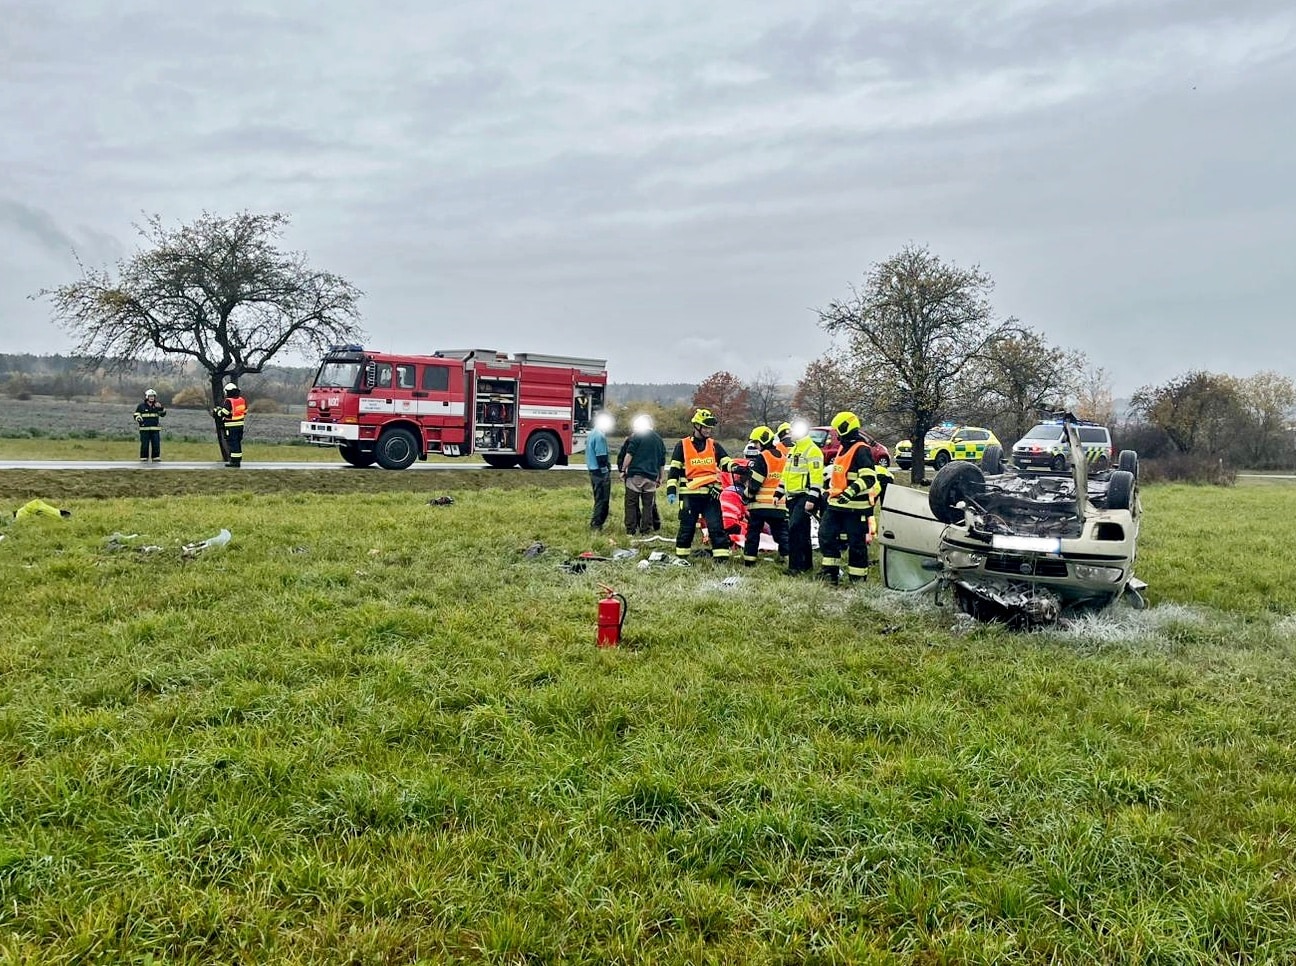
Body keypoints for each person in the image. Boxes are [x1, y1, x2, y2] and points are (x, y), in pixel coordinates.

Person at [665, 408, 735, 561]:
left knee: (716, 527)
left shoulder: (714, 445)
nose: (708, 430)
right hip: (690, 496)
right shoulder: (682, 445)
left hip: (711, 496)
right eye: (705, 427)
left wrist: (737, 468)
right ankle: (681, 558)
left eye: (710, 427)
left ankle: (721, 558)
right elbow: (674, 470)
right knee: (687, 528)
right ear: (697, 426)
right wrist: (671, 490)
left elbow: (726, 462)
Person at [818, 411, 878, 585]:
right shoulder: (844, 448)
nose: (836, 434)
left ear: (846, 428)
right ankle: (830, 573)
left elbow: (868, 477)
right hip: (836, 504)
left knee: (856, 543)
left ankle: (857, 579)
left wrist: (849, 492)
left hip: (855, 507)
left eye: (838, 431)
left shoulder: (861, 449)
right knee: (826, 535)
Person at [779, 419, 825, 575]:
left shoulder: (812, 450)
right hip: (792, 497)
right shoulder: (793, 451)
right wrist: (778, 492)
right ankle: (806, 565)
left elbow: (816, 477)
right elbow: (786, 474)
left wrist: (812, 499)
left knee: (795, 529)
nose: (790, 434)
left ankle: (795, 567)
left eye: (792, 431)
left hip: (804, 496)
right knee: (802, 531)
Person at [741, 425, 790, 566]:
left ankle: (749, 561)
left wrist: (745, 497)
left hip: (759, 505)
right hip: (779, 504)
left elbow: (754, 484)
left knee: (753, 534)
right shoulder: (783, 456)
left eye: (756, 442)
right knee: (782, 534)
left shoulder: (763, 457)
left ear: (763, 441)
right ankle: (787, 559)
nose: (755, 446)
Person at [618, 413, 666, 535]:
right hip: (651, 477)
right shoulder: (659, 439)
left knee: (631, 504)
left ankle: (631, 530)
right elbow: (662, 462)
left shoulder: (638, 436)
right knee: (648, 506)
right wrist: (661, 477)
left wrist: (623, 470)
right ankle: (646, 530)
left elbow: (629, 454)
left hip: (635, 475)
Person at [585, 410, 614, 530]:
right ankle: (597, 524)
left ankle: (596, 523)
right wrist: (606, 470)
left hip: (592, 470)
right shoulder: (600, 436)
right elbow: (601, 456)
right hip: (600, 472)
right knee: (602, 499)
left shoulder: (592, 433)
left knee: (598, 498)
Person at [213, 382, 247, 468]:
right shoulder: (241, 400)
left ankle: (234, 462)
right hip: (240, 425)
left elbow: (224, 413)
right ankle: (237, 460)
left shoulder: (229, 401)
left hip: (231, 426)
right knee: (237, 443)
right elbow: (245, 411)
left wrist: (217, 411)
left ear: (228, 392)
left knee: (232, 443)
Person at [133, 388, 167, 462]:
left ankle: (156, 457)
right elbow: (136, 414)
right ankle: (144, 458)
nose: (152, 398)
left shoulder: (157, 406)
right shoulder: (141, 406)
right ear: (147, 397)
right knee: (144, 445)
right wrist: (139, 419)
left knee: (156, 444)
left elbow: (163, 414)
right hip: (144, 429)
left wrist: (161, 408)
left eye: (153, 396)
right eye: (150, 396)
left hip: (155, 429)